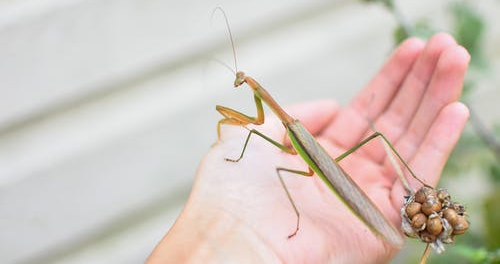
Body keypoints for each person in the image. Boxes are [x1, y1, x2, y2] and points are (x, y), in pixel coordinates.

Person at [146, 33, 470, 264]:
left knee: (371, 139)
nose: (240, 82)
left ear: (252, 85)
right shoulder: (290, 125)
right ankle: (404, 188)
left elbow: (255, 125)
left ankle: (404, 182)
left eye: (243, 81)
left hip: (321, 163)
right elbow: (259, 123)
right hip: (317, 163)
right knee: (376, 138)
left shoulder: (288, 127)